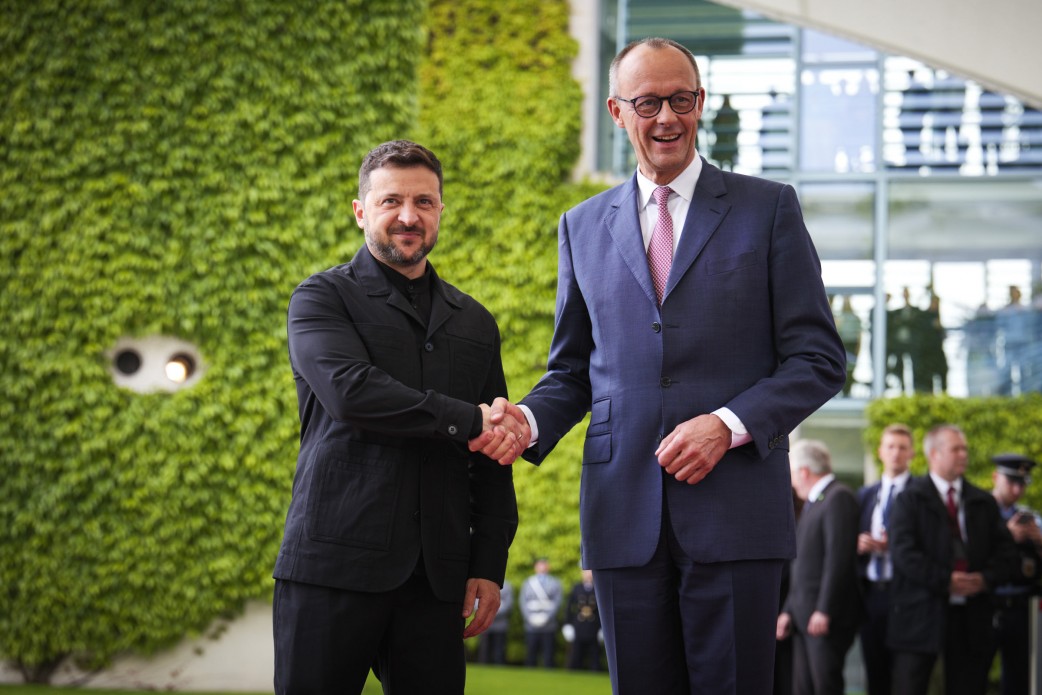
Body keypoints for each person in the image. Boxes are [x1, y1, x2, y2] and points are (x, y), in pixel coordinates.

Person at [477, 36, 846, 695]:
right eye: (648, 103)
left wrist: (727, 424)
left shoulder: (768, 209)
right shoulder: (581, 226)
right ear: (617, 112)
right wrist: (526, 421)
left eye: (681, 99)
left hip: (736, 513)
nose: (667, 117)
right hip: (622, 513)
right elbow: (574, 370)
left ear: (701, 103)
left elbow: (818, 358)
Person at [272, 140, 524, 695]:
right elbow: (351, 393)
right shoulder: (320, 298)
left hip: (436, 581)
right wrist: (470, 420)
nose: (409, 216)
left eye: (424, 202)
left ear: (440, 211)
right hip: (333, 565)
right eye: (391, 201)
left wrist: (488, 563)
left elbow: (493, 459)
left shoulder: (475, 322)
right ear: (361, 211)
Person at [886, 424, 1017, 695]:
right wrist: (946, 580)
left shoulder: (983, 502)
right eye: (956, 449)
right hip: (919, 616)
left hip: (973, 618)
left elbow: (1007, 554)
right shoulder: (909, 500)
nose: (964, 455)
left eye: (965, 449)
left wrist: (985, 579)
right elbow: (903, 554)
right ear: (934, 454)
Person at [776, 439, 861, 694]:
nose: (791, 482)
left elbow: (839, 559)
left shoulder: (839, 497)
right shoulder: (815, 502)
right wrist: (788, 611)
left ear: (804, 471)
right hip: (804, 617)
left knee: (825, 686)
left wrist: (824, 609)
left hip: (823, 619)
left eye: (792, 474)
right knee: (804, 687)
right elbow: (802, 566)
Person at [856, 423, 915, 695]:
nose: (896, 453)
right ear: (880, 451)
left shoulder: (921, 494)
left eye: (902, 448)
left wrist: (897, 546)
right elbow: (850, 540)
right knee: (875, 673)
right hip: (871, 596)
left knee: (905, 679)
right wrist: (858, 543)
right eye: (890, 446)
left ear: (911, 453)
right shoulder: (866, 495)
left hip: (906, 596)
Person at [989, 453, 1042, 695]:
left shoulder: (1029, 518)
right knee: (973, 673)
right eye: (1011, 482)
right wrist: (1006, 535)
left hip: (1021, 606)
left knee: (1019, 678)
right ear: (995, 477)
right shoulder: (980, 513)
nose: (1017, 489)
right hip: (987, 604)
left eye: (1021, 484)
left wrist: (1038, 540)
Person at [520, 557, 563, 668]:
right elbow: (523, 602)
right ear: (535, 567)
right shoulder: (528, 582)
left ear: (548, 567)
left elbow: (557, 602)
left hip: (548, 624)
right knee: (531, 653)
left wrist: (547, 618)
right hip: (531, 623)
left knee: (549, 654)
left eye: (544, 565)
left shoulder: (555, 583)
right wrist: (529, 618)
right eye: (540, 565)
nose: (542, 567)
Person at [563, 568, 603, 671]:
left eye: (590, 572)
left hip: (593, 627)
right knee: (575, 656)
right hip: (578, 627)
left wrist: (603, 628)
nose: (588, 574)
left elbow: (603, 610)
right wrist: (567, 624)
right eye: (585, 572)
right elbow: (569, 607)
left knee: (595, 657)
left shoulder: (599, 587)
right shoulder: (576, 588)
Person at [477, 579, 513, 665]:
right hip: (484, 624)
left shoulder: (507, 586)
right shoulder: (482, 582)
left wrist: (492, 611)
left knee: (499, 650)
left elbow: (508, 605)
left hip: (500, 624)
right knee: (484, 649)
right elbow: (476, 602)